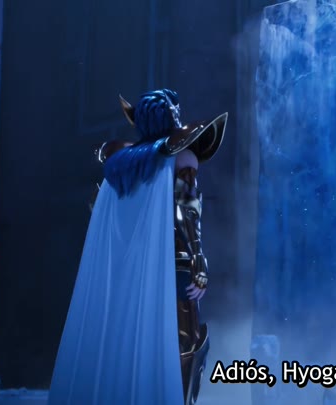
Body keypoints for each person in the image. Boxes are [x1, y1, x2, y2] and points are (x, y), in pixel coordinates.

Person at [48, 88, 227, 405]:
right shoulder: (181, 156)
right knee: (187, 342)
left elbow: (101, 213)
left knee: (131, 338)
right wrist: (199, 259)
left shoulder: (119, 165)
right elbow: (188, 209)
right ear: (172, 116)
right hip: (174, 262)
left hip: (126, 269)